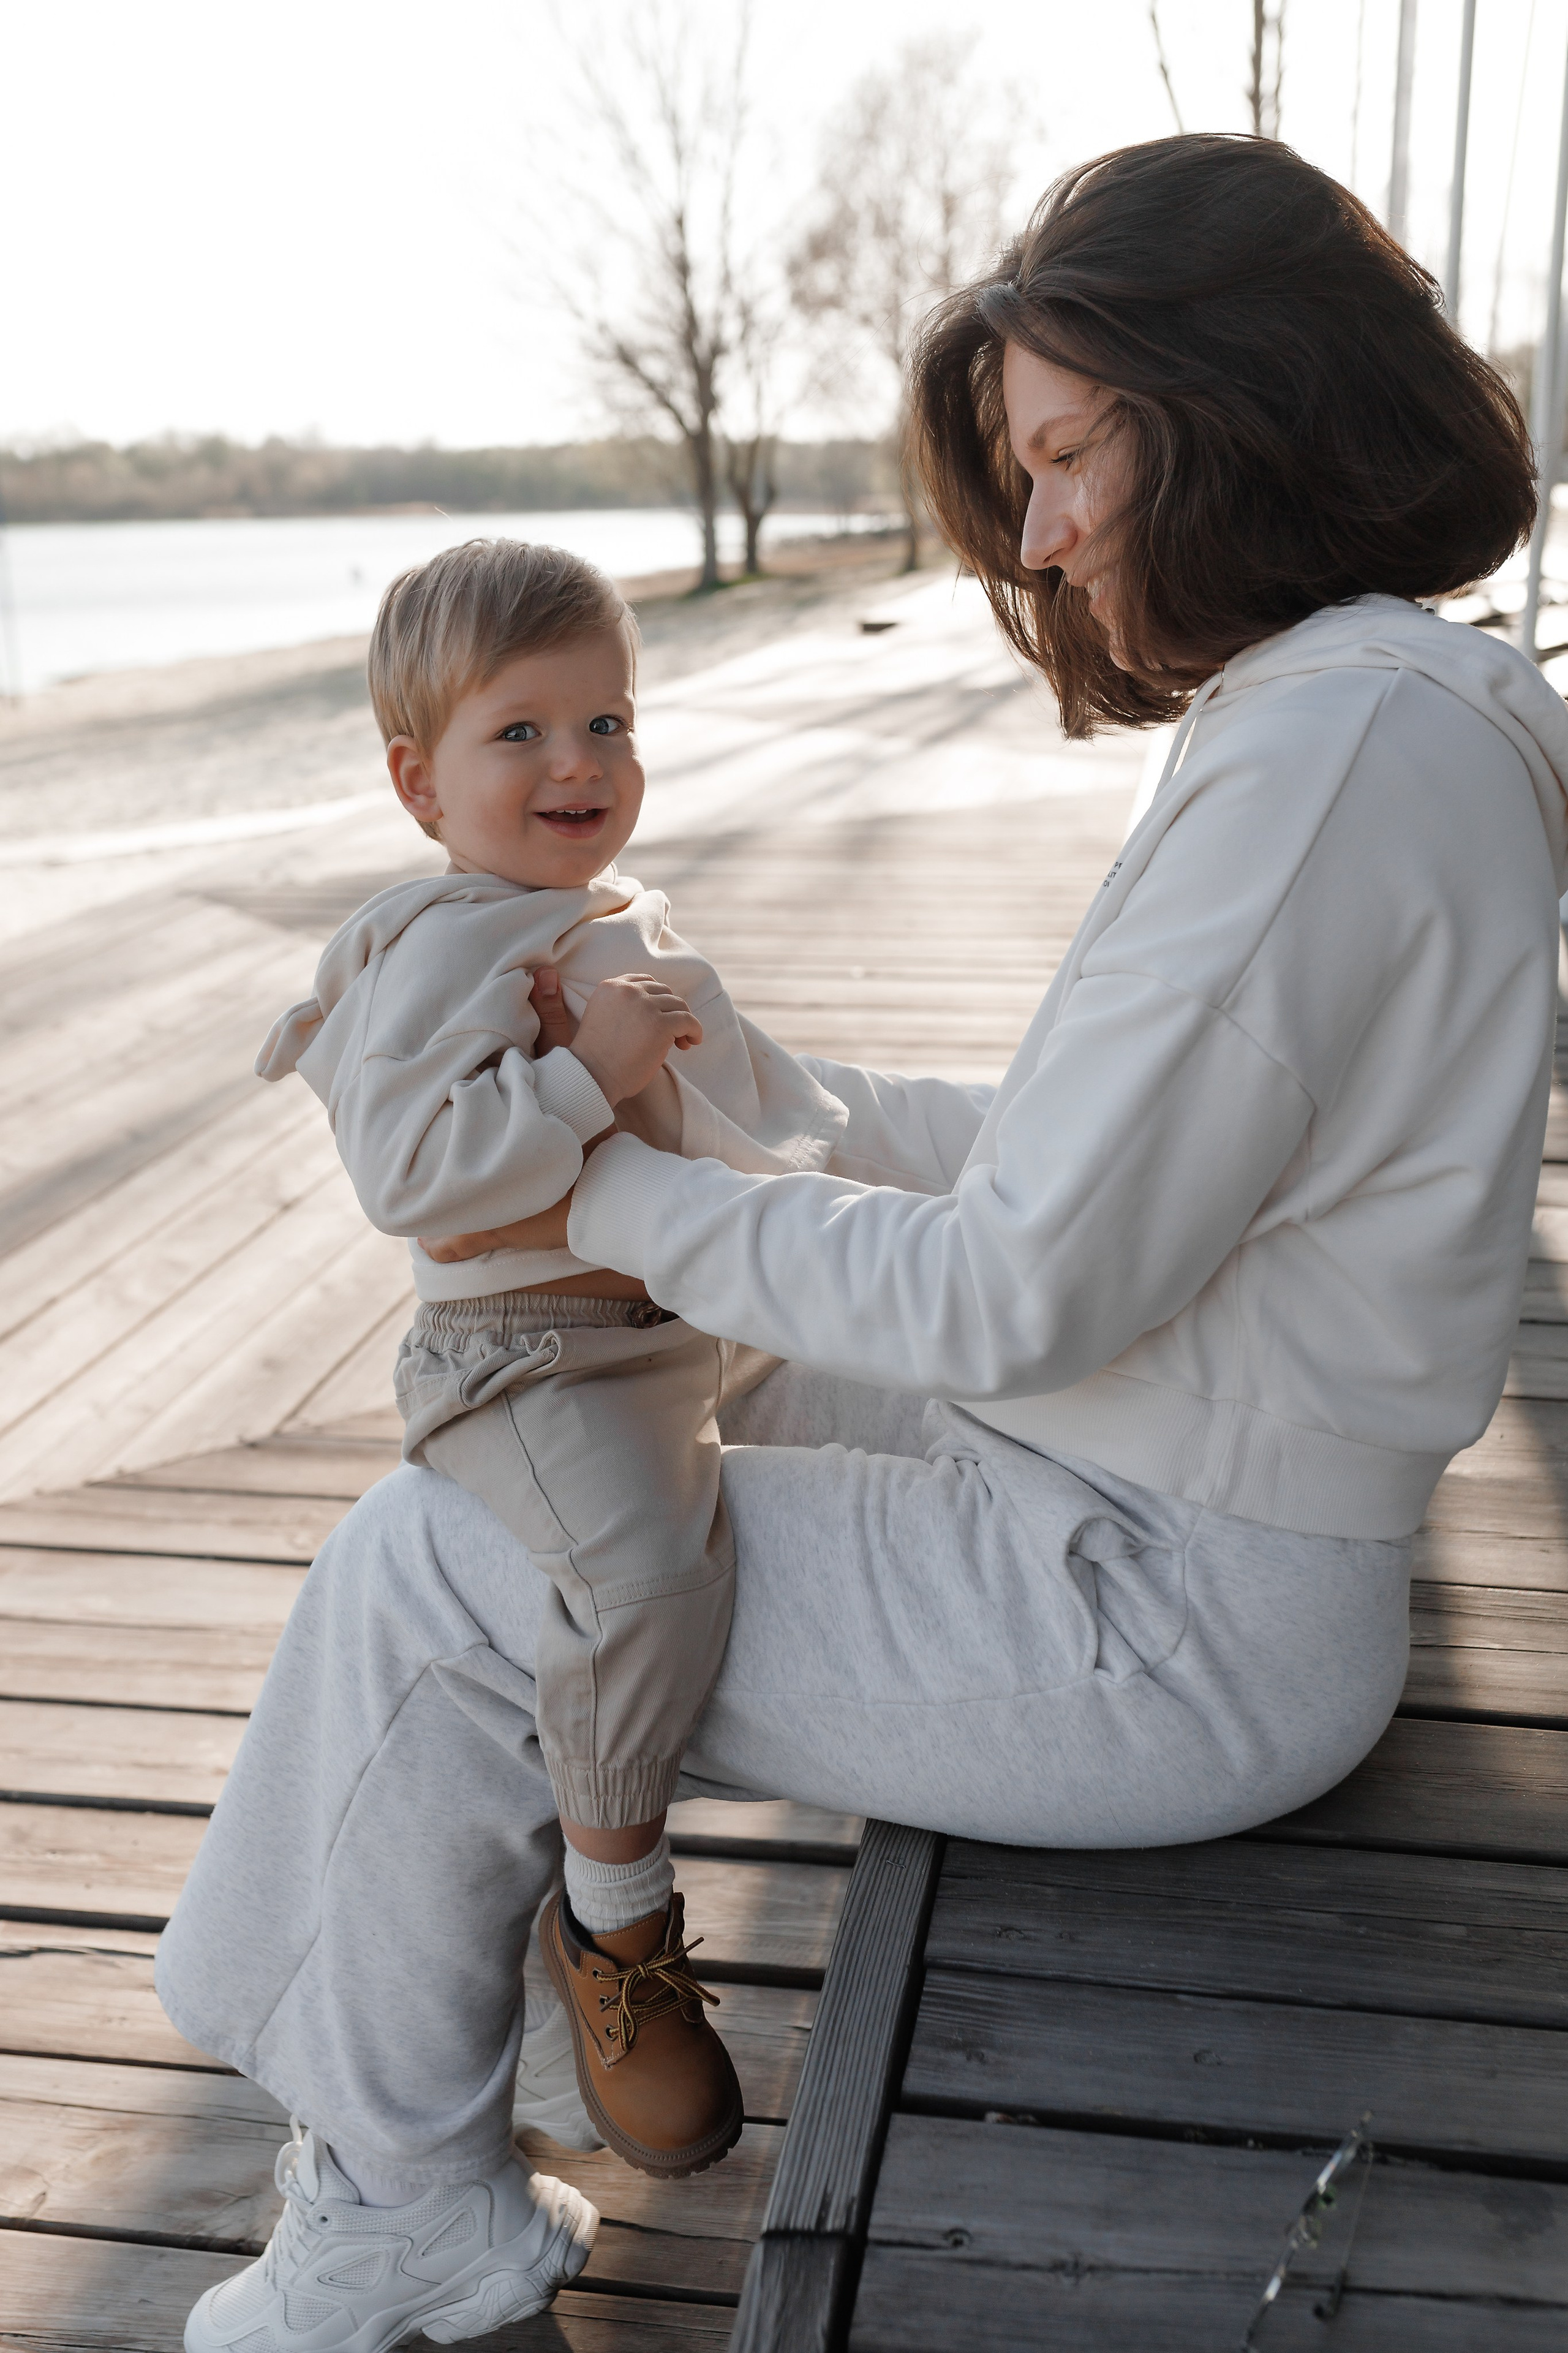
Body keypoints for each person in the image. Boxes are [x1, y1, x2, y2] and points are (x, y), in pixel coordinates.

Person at [159, 133, 1567, 2353]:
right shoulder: (1377, 711)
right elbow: (1095, 1159)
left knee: (442, 1571)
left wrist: (600, 1191)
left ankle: (404, 2197)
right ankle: (480, 2025)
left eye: (1068, 452)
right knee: (610, 1405)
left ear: (1243, 394)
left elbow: (1020, 1284)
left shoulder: (1329, 769)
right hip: (1168, 1458)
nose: (1044, 531)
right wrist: (758, 1092)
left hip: (1165, 1603)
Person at [252, 537, 846, 2192]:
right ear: (416, 778)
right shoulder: (440, 942)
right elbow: (414, 1179)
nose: (578, 762)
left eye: (609, 722)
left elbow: (738, 1093)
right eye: (521, 733)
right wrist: (584, 1074)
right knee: (647, 1579)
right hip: (529, 1362)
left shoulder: (596, 911)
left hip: (666, 1326)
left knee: (859, 1428)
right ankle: (618, 1927)